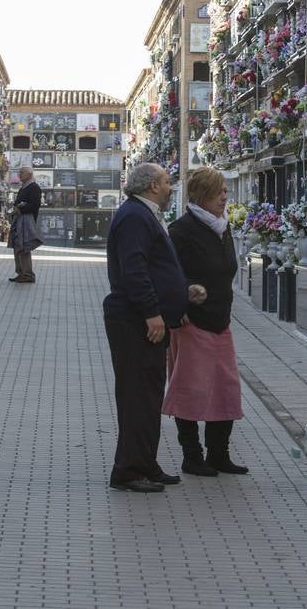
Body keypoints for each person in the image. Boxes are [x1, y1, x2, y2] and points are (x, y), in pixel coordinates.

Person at [103, 162, 206, 493]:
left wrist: (181, 290)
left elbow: (154, 266)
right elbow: (133, 269)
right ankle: (129, 471)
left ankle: (146, 463)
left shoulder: (143, 214)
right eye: (165, 181)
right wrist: (152, 312)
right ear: (151, 186)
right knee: (137, 397)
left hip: (144, 319)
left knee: (148, 396)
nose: (170, 186)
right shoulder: (135, 216)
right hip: (136, 322)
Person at [165, 167, 247, 476]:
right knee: (191, 388)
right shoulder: (181, 230)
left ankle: (218, 454)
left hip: (220, 320)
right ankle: (192, 455)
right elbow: (167, 272)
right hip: (192, 322)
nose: (225, 196)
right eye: (219, 191)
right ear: (201, 195)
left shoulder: (222, 228)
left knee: (226, 387)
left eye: (225, 190)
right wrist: (183, 294)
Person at [9, 169, 42, 283]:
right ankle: (21, 272)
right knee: (17, 246)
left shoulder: (34, 187)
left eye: (22, 172)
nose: (19, 174)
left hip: (26, 220)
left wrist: (21, 209)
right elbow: (18, 201)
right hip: (19, 219)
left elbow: (35, 205)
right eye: (19, 172)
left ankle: (27, 274)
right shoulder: (23, 187)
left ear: (29, 174)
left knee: (23, 246)